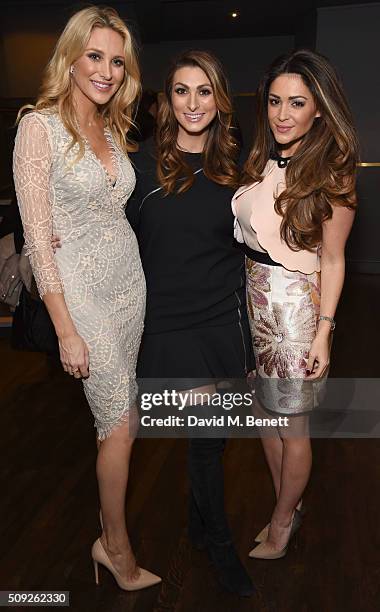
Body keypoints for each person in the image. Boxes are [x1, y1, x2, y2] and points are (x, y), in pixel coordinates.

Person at [13, 6, 161, 591]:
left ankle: (109, 526)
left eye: (116, 61)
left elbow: (115, 211)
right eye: (94, 56)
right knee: (121, 421)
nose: (105, 70)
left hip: (129, 285)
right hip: (80, 296)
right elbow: (38, 239)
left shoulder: (113, 126)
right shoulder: (38, 127)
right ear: (70, 57)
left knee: (122, 423)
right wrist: (65, 326)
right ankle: (115, 549)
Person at [126, 50, 255, 597]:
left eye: (204, 91)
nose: (193, 102)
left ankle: (200, 526)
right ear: (166, 101)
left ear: (219, 99)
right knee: (205, 438)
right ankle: (220, 546)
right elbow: (113, 237)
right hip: (169, 321)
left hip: (225, 318)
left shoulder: (237, 166)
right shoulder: (139, 168)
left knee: (216, 438)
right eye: (182, 91)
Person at [232, 49, 359, 559]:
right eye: (275, 101)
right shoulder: (262, 157)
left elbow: (332, 260)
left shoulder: (334, 173)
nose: (283, 114)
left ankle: (283, 520)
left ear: (319, 110)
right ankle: (286, 503)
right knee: (264, 416)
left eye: (297, 103)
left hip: (294, 316)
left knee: (292, 424)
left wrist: (324, 332)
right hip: (252, 305)